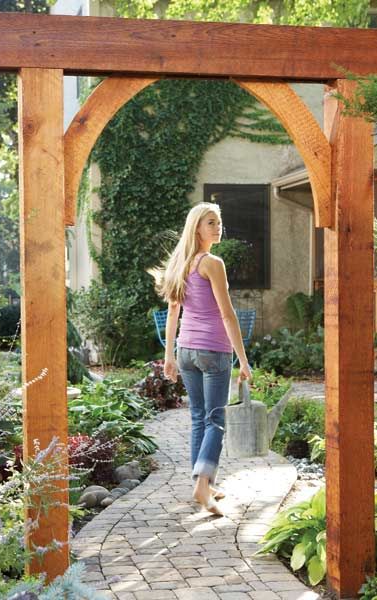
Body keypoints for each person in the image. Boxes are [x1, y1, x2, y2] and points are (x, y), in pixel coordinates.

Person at [151, 202, 251, 516]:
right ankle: (202, 485)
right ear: (197, 227)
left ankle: (204, 484)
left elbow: (172, 314)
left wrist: (169, 355)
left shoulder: (181, 263)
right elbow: (227, 314)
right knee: (215, 420)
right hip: (213, 350)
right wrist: (243, 360)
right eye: (211, 222)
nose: (217, 227)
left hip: (187, 351)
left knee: (198, 417)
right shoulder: (212, 263)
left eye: (219, 222)